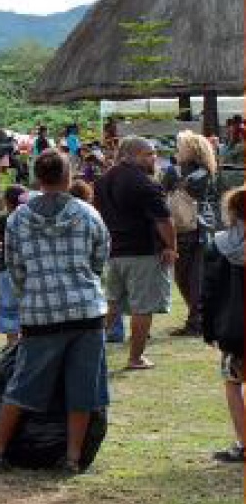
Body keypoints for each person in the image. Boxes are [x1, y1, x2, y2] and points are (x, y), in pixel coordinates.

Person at [0, 150, 111, 474]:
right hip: (86, 311)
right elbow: (100, 259)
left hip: (41, 313)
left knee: (23, 385)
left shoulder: (18, 218)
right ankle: (71, 459)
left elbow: (15, 268)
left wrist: (35, 290)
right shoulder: (87, 213)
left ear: (38, 179)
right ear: (69, 177)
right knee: (83, 389)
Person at [96, 136, 176, 370]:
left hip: (115, 251)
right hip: (143, 252)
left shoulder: (102, 180)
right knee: (143, 308)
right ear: (134, 155)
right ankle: (135, 358)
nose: (154, 158)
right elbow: (164, 220)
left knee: (112, 304)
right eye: (149, 154)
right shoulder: (145, 182)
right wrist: (171, 246)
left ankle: (88, 351)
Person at [161, 131, 220, 336]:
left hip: (185, 228)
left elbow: (163, 190)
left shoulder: (175, 171)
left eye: (180, 146)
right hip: (203, 227)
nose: (177, 149)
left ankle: (196, 321)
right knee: (195, 277)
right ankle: (198, 320)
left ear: (190, 149)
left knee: (186, 278)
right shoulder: (208, 172)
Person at [202, 187, 245, 462]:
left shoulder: (218, 244)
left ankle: (243, 442)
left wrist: (208, 329)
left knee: (233, 382)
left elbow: (209, 291)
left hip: (235, 327)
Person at [0, 185, 28, 345]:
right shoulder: (29, 218)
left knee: (8, 306)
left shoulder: (4, 219)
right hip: (26, 266)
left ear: (7, 201)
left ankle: (12, 344)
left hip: (6, 267)